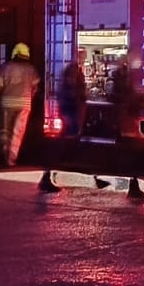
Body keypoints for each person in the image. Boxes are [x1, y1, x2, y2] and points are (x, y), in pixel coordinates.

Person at [38, 59, 88, 193]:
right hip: (69, 118)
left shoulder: (64, 85)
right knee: (60, 147)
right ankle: (48, 176)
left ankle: (48, 175)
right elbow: (77, 102)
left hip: (68, 118)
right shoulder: (70, 89)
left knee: (60, 147)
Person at [0, 42, 41, 168]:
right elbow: (35, 88)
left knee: (4, 130)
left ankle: (4, 153)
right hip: (24, 104)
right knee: (18, 132)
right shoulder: (31, 70)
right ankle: (11, 159)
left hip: (6, 103)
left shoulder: (5, 67)